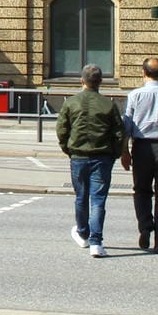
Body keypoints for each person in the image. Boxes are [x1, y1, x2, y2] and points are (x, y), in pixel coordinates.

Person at [56, 63, 124, 258]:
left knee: (81, 197)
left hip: (78, 156)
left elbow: (62, 129)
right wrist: (115, 154)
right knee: (98, 200)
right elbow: (119, 133)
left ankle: (83, 233)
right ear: (100, 82)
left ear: (82, 81)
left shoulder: (71, 103)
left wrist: (67, 148)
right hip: (102, 157)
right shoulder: (108, 104)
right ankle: (96, 242)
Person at [121, 56, 158, 252]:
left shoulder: (135, 95)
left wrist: (125, 151)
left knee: (141, 190)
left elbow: (127, 125)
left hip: (141, 147)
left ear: (144, 73)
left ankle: (145, 227)